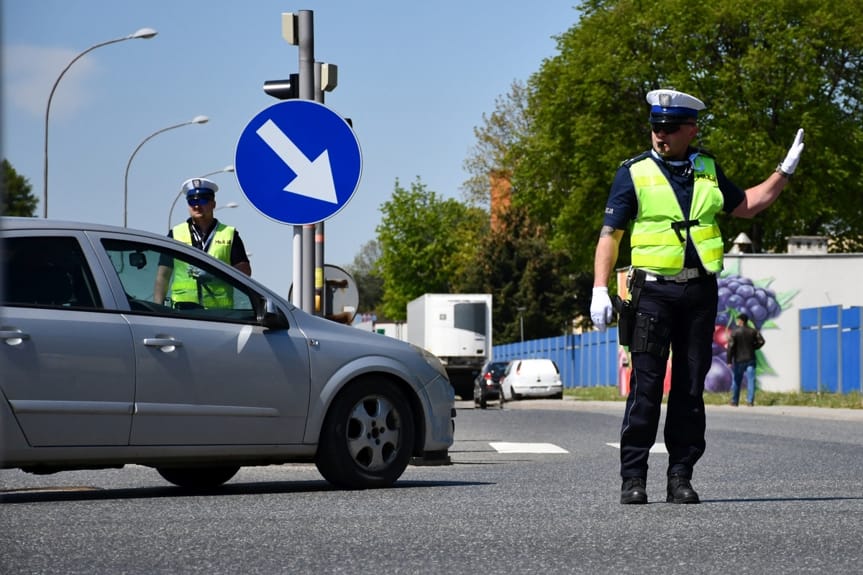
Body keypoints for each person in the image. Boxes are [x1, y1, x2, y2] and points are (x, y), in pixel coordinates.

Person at [589, 88, 805, 505]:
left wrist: (785, 171)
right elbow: (609, 235)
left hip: (700, 293)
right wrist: (599, 287)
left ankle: (680, 477)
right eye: (655, 126)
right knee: (646, 387)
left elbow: (748, 205)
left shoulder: (707, 169)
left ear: (691, 129)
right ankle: (633, 478)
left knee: (689, 389)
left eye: (669, 128)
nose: (660, 134)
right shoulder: (632, 173)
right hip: (652, 293)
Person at [154, 177, 251, 308]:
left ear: (213, 204)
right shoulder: (175, 234)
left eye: (203, 200)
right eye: (192, 201)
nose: (197, 205)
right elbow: (162, 277)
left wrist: (216, 273)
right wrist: (158, 309)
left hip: (221, 315)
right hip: (182, 313)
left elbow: (245, 271)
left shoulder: (229, 234)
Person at [726, 313, 765, 407]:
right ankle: (749, 401)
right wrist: (754, 347)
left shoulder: (734, 332)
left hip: (739, 360)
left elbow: (730, 347)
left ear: (741, 321)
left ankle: (734, 401)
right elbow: (762, 341)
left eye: (738, 320)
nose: (737, 322)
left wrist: (729, 361)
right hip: (750, 359)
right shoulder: (753, 331)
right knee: (751, 381)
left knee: (736, 381)